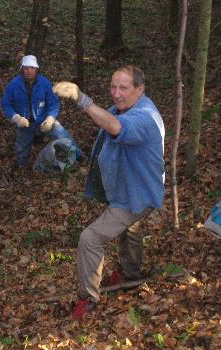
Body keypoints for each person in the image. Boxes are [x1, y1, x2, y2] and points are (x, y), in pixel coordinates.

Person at [53, 65, 165, 321]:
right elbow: (112, 118)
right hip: (132, 190)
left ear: (140, 89)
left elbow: (116, 127)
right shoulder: (126, 108)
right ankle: (130, 274)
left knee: (90, 238)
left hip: (136, 196)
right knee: (129, 229)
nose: (116, 93)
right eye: (113, 87)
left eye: (123, 87)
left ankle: (88, 299)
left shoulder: (144, 117)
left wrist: (83, 100)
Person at [1, 55, 82, 166]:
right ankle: (21, 167)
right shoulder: (14, 85)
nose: (29, 71)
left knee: (62, 134)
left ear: (36, 69)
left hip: (43, 119)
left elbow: (53, 104)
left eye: (32, 68)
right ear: (22, 69)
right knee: (21, 148)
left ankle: (79, 156)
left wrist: (50, 118)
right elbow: (5, 104)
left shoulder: (44, 83)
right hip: (24, 123)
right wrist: (16, 118)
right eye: (26, 68)